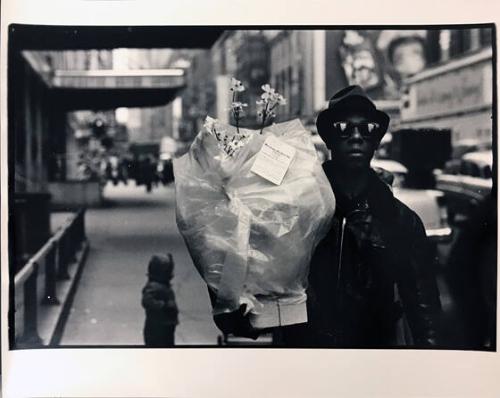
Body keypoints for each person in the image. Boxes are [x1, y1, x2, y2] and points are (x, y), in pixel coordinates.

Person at [304, 85, 442, 348]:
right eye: (343, 127)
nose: (356, 136)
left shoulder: (401, 220)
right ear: (329, 138)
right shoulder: (301, 207)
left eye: (366, 128)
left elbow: (425, 310)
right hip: (306, 353)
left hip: (372, 355)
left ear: (376, 140)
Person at [142, 254, 179, 347]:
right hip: (157, 326)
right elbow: (147, 301)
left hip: (166, 324)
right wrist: (163, 305)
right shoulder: (153, 286)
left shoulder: (163, 286)